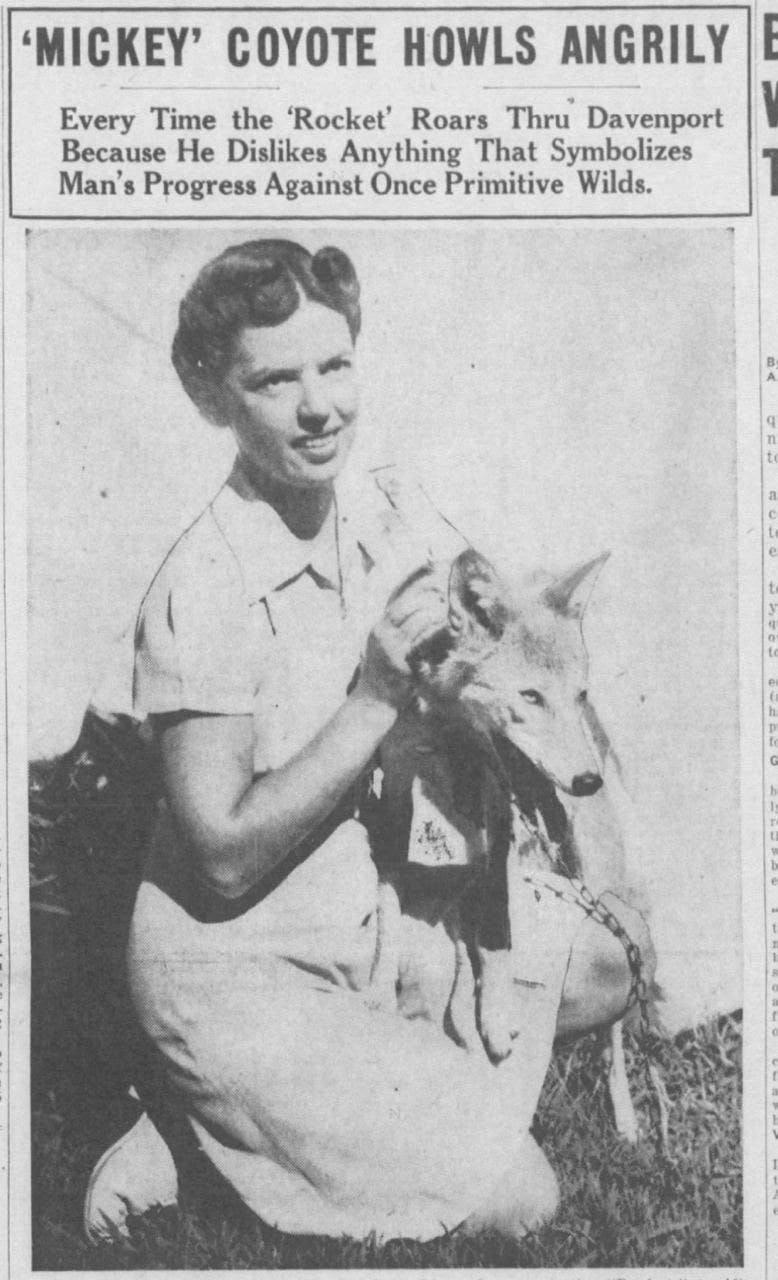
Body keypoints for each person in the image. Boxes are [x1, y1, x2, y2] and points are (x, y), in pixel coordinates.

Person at [84, 238, 655, 1245]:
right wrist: (378, 696)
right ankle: (198, 1122)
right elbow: (217, 855)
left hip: (370, 913)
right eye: (273, 378)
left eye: (334, 364)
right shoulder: (205, 581)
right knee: (521, 1196)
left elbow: (490, 661)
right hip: (240, 964)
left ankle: (301, 1115)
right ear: (209, 393)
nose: (318, 407)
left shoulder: (377, 519)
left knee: (603, 965)